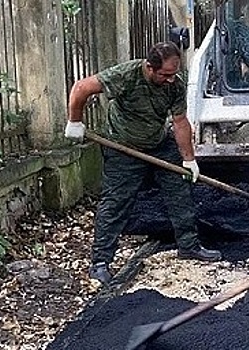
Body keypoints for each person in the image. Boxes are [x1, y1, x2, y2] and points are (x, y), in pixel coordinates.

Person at [65, 42, 222, 285]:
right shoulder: (126, 75)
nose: (171, 79)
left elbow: (180, 122)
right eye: (165, 75)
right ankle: (100, 263)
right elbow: (81, 88)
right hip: (123, 146)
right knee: (116, 202)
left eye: (174, 73)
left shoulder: (175, 85)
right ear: (150, 68)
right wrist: (75, 121)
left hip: (159, 144)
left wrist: (189, 160)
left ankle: (189, 246)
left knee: (179, 191)